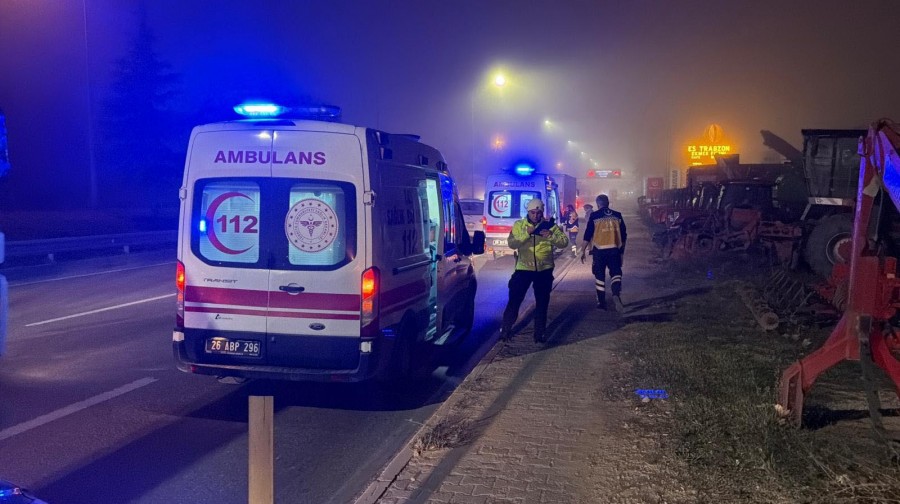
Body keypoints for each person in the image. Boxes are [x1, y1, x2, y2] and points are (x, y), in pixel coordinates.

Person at [500, 198, 570, 343]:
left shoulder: (550, 226)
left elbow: (564, 242)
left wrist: (551, 236)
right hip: (523, 269)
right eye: (533, 212)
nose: (536, 215)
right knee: (514, 300)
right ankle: (505, 330)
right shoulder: (519, 225)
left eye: (538, 213)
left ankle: (539, 334)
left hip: (544, 270)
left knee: (542, 303)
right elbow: (512, 243)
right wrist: (527, 234)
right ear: (528, 212)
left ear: (542, 212)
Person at [580, 194, 627, 313]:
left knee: (599, 276)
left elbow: (588, 234)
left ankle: (602, 303)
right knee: (616, 273)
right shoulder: (617, 215)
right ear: (608, 203)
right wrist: (621, 253)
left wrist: (583, 251)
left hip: (599, 251)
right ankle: (615, 294)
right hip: (614, 250)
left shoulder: (594, 216)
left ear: (597, 204)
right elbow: (624, 236)